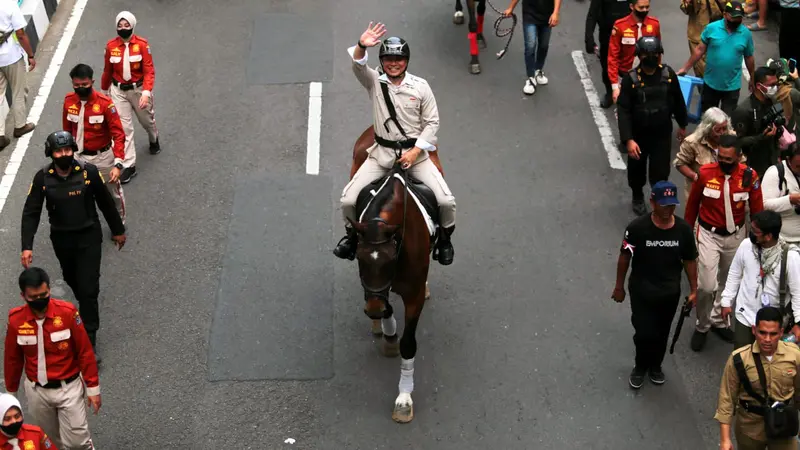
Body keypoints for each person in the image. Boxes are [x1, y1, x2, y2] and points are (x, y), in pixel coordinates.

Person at [334, 23, 457, 265]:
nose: (394, 63)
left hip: (416, 156)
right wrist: (361, 46)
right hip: (381, 155)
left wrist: (416, 152)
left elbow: (432, 123)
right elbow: (358, 65)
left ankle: (443, 240)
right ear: (382, 61)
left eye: (399, 59)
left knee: (446, 202)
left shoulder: (421, 87)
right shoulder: (374, 81)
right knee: (347, 200)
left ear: (407, 61)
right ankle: (352, 239)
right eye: (388, 59)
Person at [20, 131, 127, 359]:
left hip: (89, 237)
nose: (64, 155)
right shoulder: (42, 178)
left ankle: (89, 337)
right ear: (51, 153)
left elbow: (106, 203)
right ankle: (85, 303)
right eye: (59, 151)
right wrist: (26, 246)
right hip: (62, 240)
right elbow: (31, 212)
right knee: (73, 280)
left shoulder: (88, 173)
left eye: (67, 150)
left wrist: (118, 230)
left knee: (89, 289)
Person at [612, 181, 699, 389]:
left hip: (669, 293)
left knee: (661, 332)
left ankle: (656, 366)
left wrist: (695, 290)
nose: (668, 209)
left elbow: (689, 261)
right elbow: (625, 257)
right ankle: (640, 366)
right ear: (652, 203)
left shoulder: (683, 230)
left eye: (671, 205)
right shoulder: (636, 228)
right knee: (643, 332)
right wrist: (619, 286)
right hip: (641, 291)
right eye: (663, 205)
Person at [4, 268, 100, 450]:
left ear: (49, 290)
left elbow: (85, 351)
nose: (41, 300)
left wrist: (93, 388)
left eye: (44, 294)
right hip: (37, 392)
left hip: (68, 388)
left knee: (78, 443)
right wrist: (11, 395)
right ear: (23, 296)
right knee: (50, 443)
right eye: (34, 297)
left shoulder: (67, 313)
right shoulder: (16, 320)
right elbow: (12, 359)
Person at [685, 134, 765, 351]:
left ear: (739, 157)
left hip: (737, 236)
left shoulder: (750, 177)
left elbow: (757, 211)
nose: (724, 163)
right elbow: (692, 206)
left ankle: (719, 321)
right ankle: (702, 325)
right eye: (721, 158)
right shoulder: (704, 173)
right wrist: (684, 237)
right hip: (709, 234)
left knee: (728, 284)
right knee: (706, 286)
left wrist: (759, 241)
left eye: (729, 160)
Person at [617, 36, 688, 216]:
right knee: (637, 170)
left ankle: (658, 199)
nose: (652, 57)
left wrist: (682, 124)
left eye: (655, 53)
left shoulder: (668, 75)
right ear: (639, 56)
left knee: (660, 171)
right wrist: (628, 140)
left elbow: (678, 100)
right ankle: (638, 196)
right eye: (647, 54)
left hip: (661, 134)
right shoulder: (630, 79)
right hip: (638, 135)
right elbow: (624, 111)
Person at [715, 306, 800, 450]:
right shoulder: (739, 359)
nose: (767, 339)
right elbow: (726, 400)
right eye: (762, 333)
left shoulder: (794, 355)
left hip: (783, 426)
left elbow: (799, 391)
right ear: (754, 330)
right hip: (750, 429)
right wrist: (725, 439)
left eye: (773, 334)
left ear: (781, 333)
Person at [720, 211, 800, 349]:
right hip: (745, 315)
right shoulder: (746, 246)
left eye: (755, 231)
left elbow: (798, 292)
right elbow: (735, 273)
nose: (751, 233)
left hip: (772, 324)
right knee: (741, 359)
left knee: (768, 365)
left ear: (768, 236)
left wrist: (799, 323)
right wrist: (726, 301)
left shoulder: (790, 257)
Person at [100, 10, 160, 185]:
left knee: (147, 121)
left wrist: (147, 93)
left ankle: (154, 138)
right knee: (124, 128)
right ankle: (129, 165)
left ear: (132, 26)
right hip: (118, 91)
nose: (123, 28)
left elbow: (149, 70)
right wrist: (104, 92)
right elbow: (107, 71)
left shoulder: (142, 45)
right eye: (120, 25)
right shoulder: (111, 46)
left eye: (126, 25)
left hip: (139, 89)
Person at [62, 63, 127, 223]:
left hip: (103, 158)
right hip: (78, 157)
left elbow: (118, 134)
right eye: (77, 85)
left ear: (92, 82)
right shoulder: (69, 102)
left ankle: (119, 222)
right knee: (79, 193)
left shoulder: (106, 105)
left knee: (113, 195)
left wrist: (118, 164)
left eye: (84, 84)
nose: (80, 88)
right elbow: (67, 131)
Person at [677, 1, 756, 117]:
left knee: (727, 121)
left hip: (732, 87)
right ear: (725, 15)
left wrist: (752, 78)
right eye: (733, 17)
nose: (735, 21)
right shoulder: (711, 29)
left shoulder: (745, 34)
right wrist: (685, 68)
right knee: (708, 119)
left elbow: (749, 57)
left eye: (739, 18)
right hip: (710, 84)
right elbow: (699, 50)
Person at [674, 107, 737, 200]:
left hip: (727, 189)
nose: (722, 133)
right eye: (718, 130)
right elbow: (680, 163)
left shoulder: (732, 136)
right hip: (701, 194)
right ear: (707, 128)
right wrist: (696, 177)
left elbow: (740, 160)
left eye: (724, 128)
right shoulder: (692, 142)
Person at [732, 66, 783, 179]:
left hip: (772, 162)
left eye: (776, 84)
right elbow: (737, 142)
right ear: (759, 86)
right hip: (754, 167)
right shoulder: (744, 111)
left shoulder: (773, 102)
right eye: (771, 85)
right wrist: (761, 137)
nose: (775, 88)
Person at [585, 0, 638, 108]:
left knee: (631, 64)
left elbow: (641, 6)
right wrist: (589, 37)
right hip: (608, 32)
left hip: (629, 32)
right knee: (607, 65)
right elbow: (593, 13)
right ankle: (610, 92)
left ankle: (631, 92)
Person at [607, 0, 661, 104]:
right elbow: (612, 57)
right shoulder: (620, 26)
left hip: (647, 77)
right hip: (625, 77)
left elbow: (657, 53)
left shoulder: (654, 25)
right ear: (632, 6)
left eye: (647, 7)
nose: (645, 10)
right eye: (641, 8)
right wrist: (614, 86)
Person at [503, 0, 563, 95]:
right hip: (529, 15)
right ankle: (530, 77)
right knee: (530, 45)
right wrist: (511, 8)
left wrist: (555, 13)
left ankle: (538, 70)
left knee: (544, 45)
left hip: (547, 16)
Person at [0, 0, 36, 150]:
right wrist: (30, 55)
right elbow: (20, 34)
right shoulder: (8, 4)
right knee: (18, 91)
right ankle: (20, 126)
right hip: (11, 56)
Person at [762, 143, 800, 243]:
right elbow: (764, 205)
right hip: (783, 241)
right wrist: (790, 200)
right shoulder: (775, 173)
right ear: (788, 159)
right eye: (798, 166)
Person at [679, 0, 723, 78]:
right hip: (698, 36)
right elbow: (686, 9)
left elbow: (727, 8)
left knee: (720, 64)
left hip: (719, 34)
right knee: (700, 70)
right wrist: (688, 3)